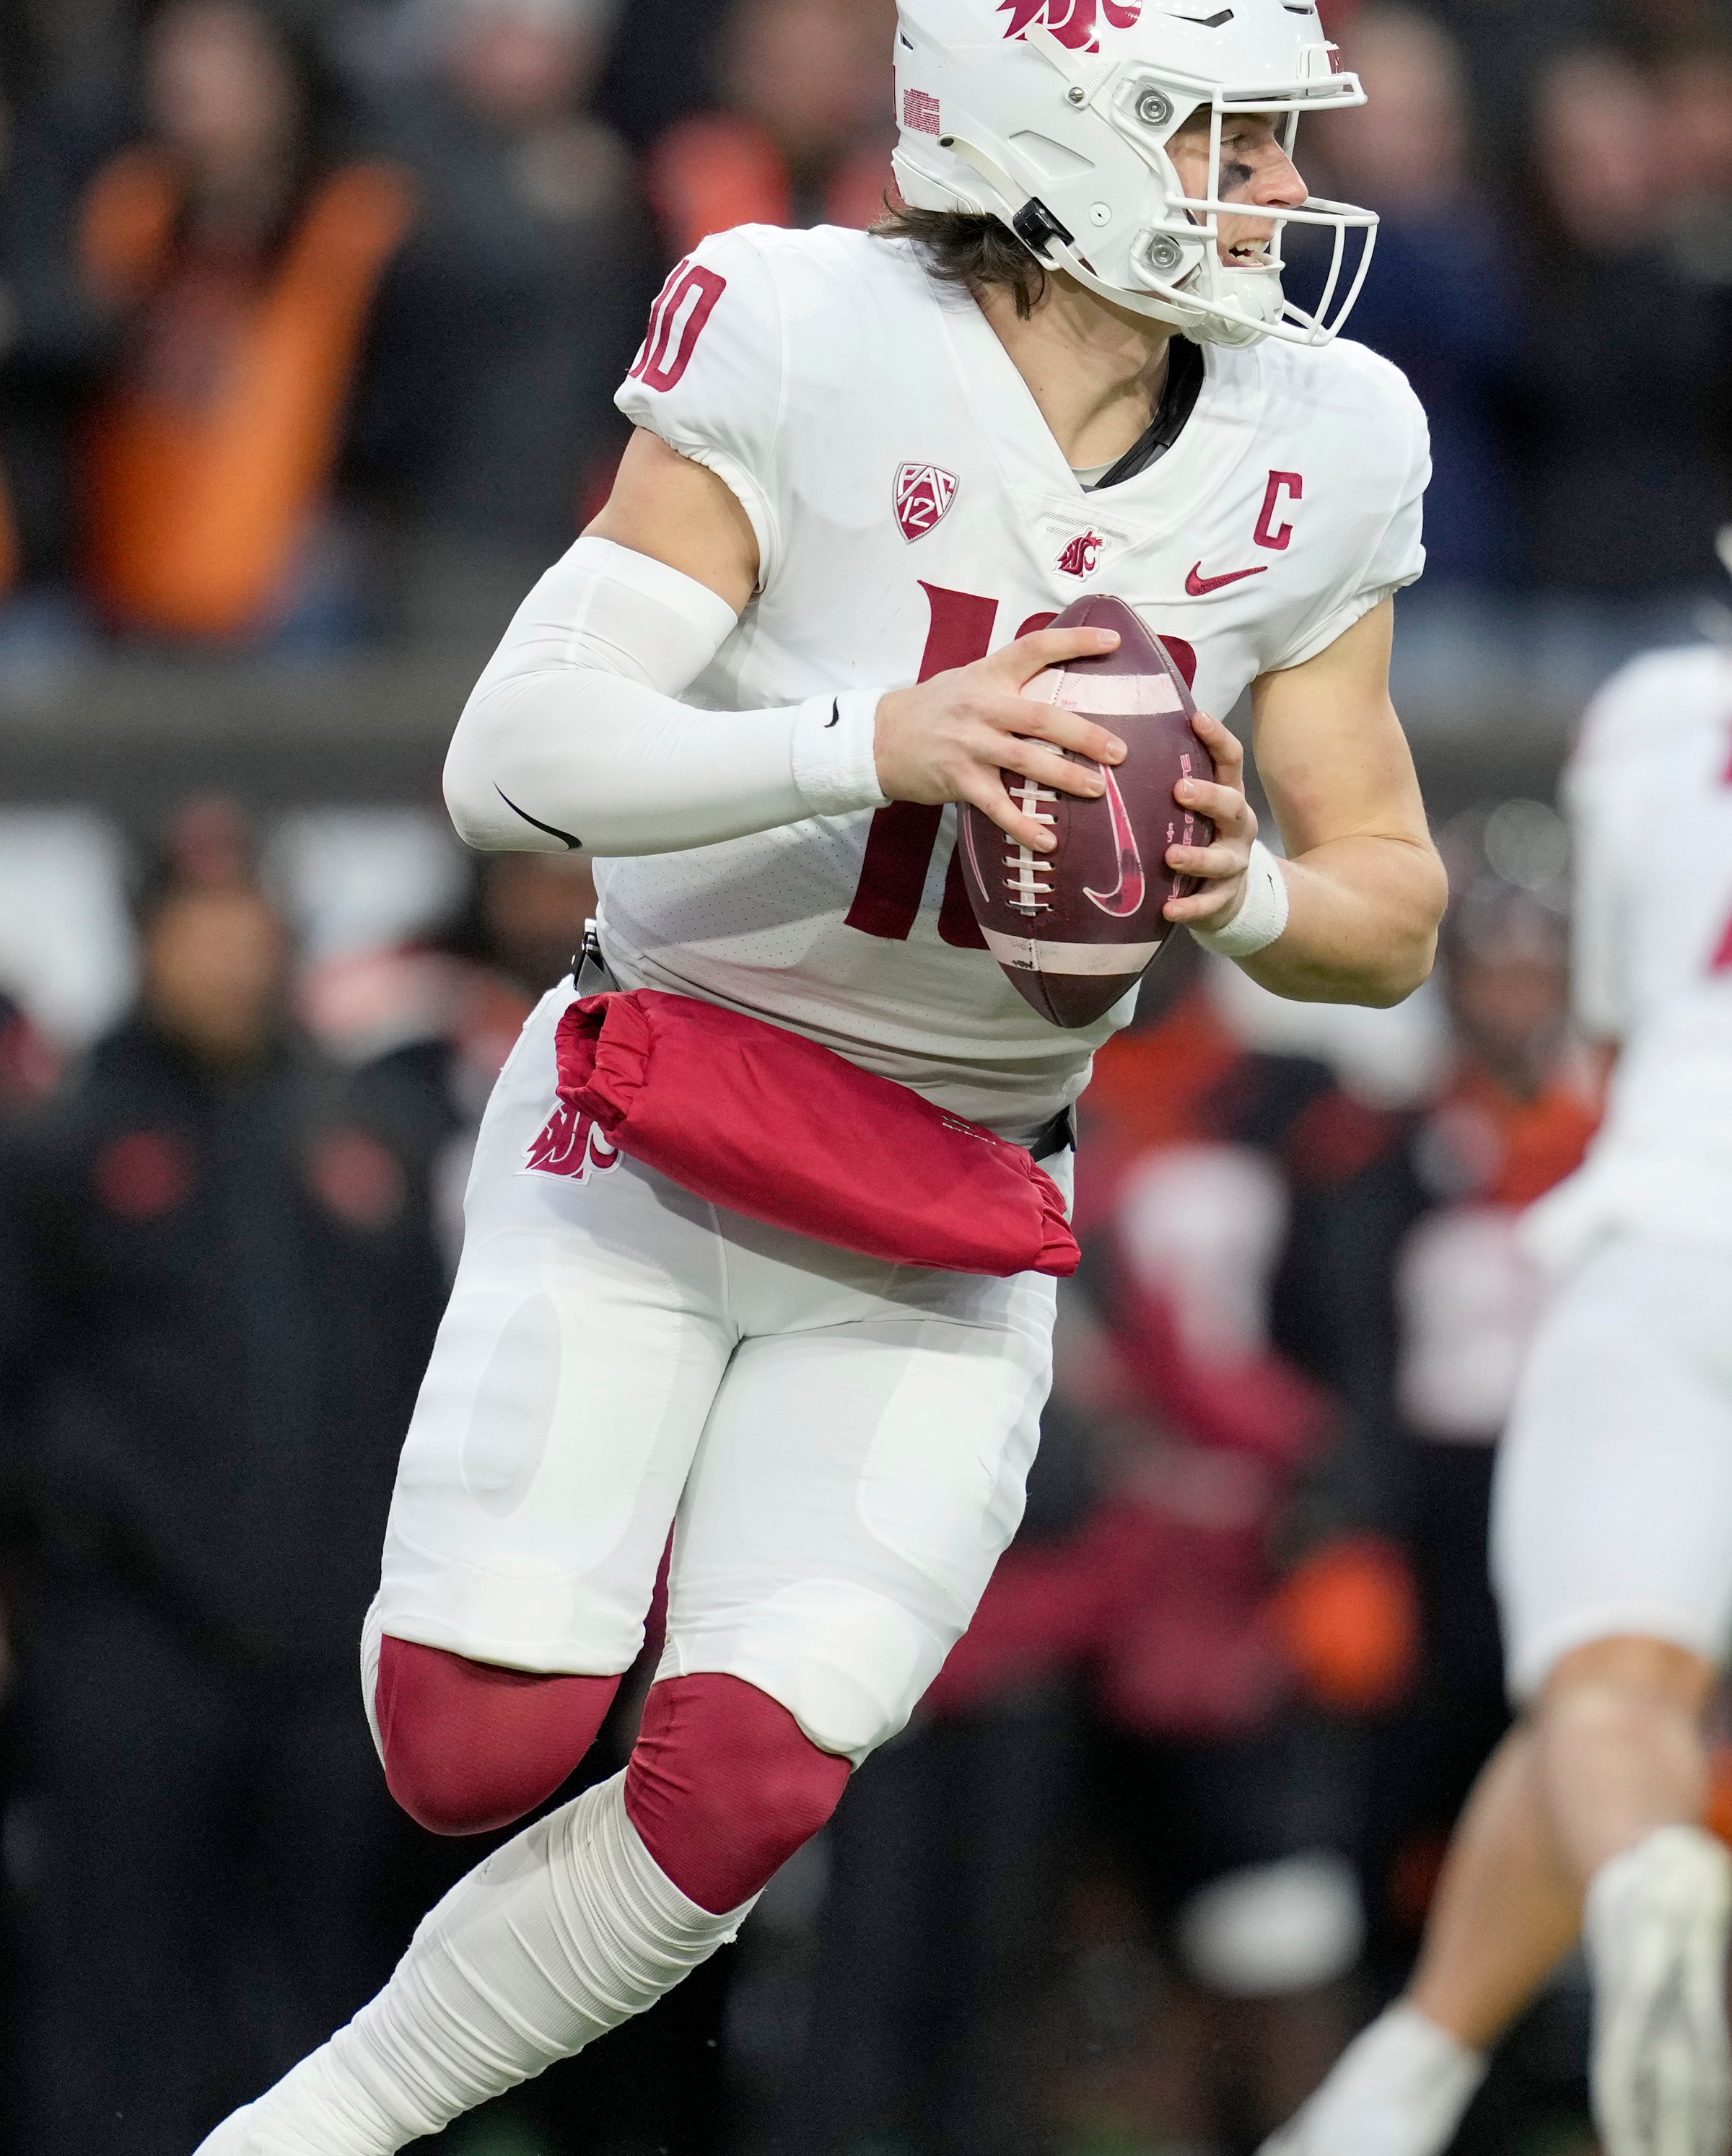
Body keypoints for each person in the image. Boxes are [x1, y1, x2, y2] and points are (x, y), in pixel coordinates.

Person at [196, 3, 1445, 2147]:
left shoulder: (1327, 433)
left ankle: (310, 2131)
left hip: (950, 1203)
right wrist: (885, 737)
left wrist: (1241, 897)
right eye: (1225, 141)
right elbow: (510, 762)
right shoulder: (801, 326)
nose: (1278, 193)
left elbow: (1393, 901)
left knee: (755, 1778)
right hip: (667, 1119)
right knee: (476, 1743)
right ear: (1057, 139)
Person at [1261, 587, 1732, 2156]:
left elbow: (1617, 1003)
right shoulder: (1394, 1156)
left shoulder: (1667, 712)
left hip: (1676, 1223)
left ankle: (1623, 1896)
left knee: (1612, 1690)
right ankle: (1414, 2074)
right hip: (1605, 1288)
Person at [0, 812, 447, 2155]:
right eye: (196, 931)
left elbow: (428, 1381)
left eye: (247, 927)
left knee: (323, 2003)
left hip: (325, 1653)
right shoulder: (63, 1142)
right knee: (113, 2000)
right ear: (144, 944)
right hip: (127, 1645)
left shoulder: (363, 1128)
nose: (226, 957)